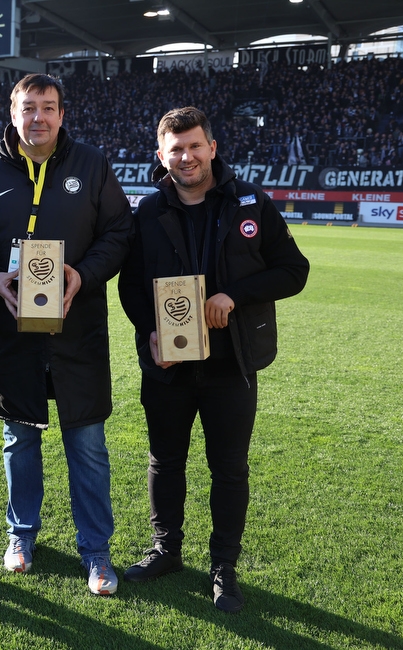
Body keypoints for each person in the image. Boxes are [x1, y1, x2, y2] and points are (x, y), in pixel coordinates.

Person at [117, 106, 309, 613]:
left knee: (228, 469)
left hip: (232, 365)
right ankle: (166, 551)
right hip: (168, 366)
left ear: (212, 148)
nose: (186, 157)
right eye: (175, 149)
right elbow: (132, 286)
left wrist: (234, 296)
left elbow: (294, 270)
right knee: (165, 461)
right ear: (161, 155)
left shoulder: (251, 202)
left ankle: (224, 567)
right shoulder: (147, 211)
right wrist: (151, 332)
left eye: (194, 146)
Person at [0, 74, 132, 595]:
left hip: (77, 332)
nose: (39, 117)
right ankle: (21, 535)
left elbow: (119, 232)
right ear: (13, 113)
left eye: (48, 107)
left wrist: (84, 274)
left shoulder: (93, 166)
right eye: (28, 107)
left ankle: (96, 551)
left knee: (88, 444)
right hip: (11, 332)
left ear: (62, 113)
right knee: (19, 439)